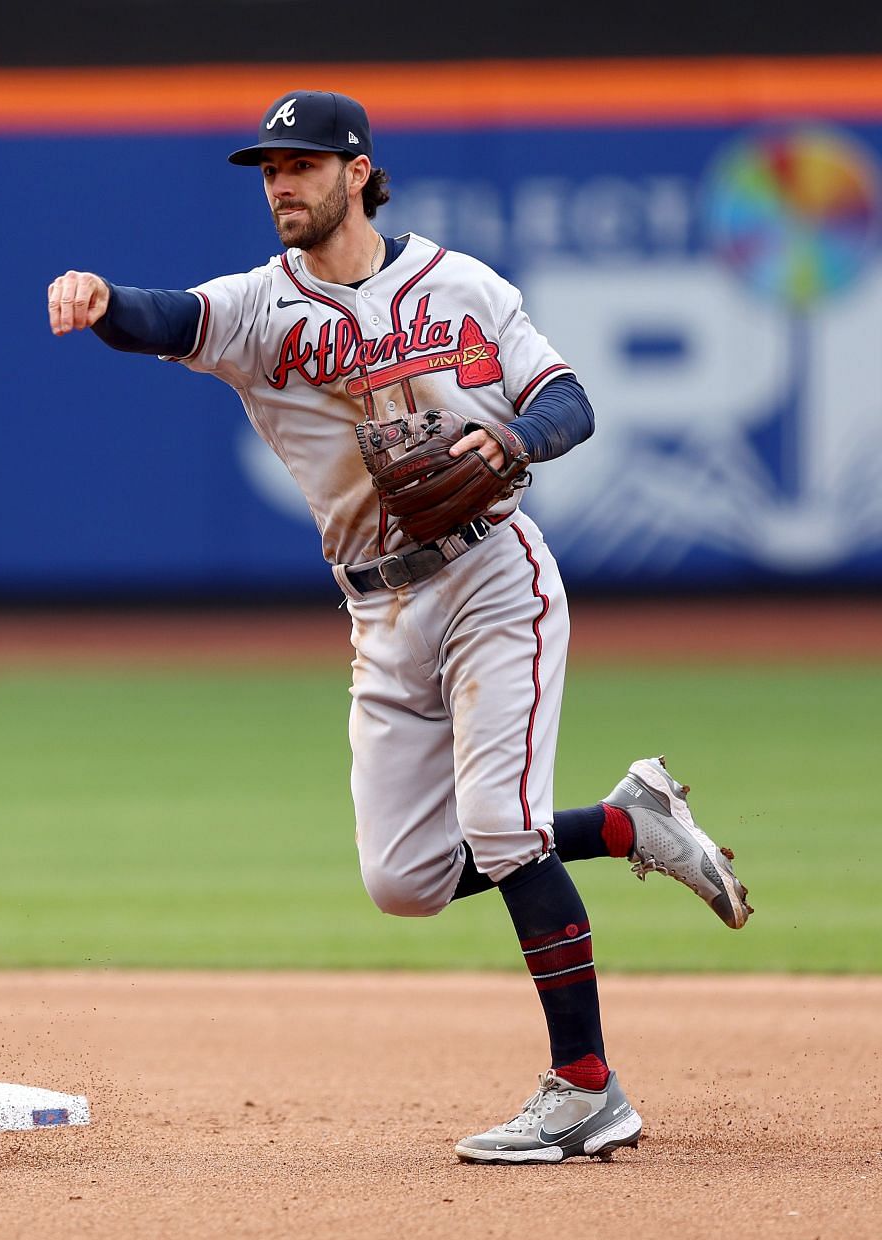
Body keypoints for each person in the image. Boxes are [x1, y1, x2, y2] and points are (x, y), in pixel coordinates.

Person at [46, 91, 750, 1164]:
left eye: (301, 163)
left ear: (358, 170)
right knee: (407, 878)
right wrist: (100, 302)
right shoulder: (256, 309)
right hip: (377, 607)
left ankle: (587, 1085)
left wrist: (514, 441)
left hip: (491, 579)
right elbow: (165, 316)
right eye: (267, 168)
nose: (280, 182)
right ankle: (624, 823)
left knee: (502, 827)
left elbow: (569, 399)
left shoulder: (461, 284)